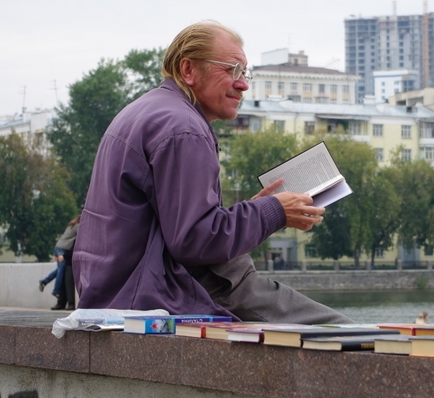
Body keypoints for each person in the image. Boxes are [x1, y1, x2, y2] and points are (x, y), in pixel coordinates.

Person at [73, 20, 352, 324]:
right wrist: (272, 212)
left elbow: (177, 228)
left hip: (116, 292)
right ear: (188, 70)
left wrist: (254, 210)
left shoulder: (148, 111)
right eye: (231, 70)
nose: (243, 84)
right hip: (160, 295)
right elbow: (194, 241)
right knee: (346, 334)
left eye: (245, 73)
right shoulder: (185, 128)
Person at [47, 215, 80, 310]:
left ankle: (69, 303)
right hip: (67, 258)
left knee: (67, 283)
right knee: (63, 281)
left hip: (69, 261)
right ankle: (62, 303)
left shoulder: (71, 227)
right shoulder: (77, 230)